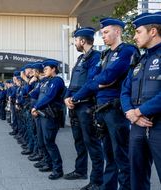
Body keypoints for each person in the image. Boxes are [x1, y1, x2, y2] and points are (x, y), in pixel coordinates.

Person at [72, 18, 139, 190]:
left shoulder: (127, 51)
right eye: (102, 33)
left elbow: (109, 75)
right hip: (102, 109)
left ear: (117, 32)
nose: (103, 36)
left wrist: (101, 81)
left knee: (121, 156)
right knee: (109, 155)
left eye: (106, 32)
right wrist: (100, 83)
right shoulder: (105, 55)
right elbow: (93, 79)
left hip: (115, 110)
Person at [121, 12, 161, 190]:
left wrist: (139, 111)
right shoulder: (140, 60)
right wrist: (132, 114)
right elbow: (125, 90)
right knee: (136, 177)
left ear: (153, 31)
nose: (135, 36)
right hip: (137, 125)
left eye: (138, 32)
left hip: (159, 126)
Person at [64, 27, 104, 190]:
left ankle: (97, 181)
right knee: (79, 141)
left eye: (75, 40)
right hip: (75, 105)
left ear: (82, 41)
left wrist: (74, 98)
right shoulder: (81, 58)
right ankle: (80, 171)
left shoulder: (96, 57)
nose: (74, 43)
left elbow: (90, 83)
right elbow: (73, 81)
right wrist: (67, 97)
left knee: (92, 143)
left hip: (86, 105)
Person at [31, 59, 66, 180]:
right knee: (41, 141)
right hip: (41, 115)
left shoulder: (57, 81)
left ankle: (58, 169)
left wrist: (35, 107)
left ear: (53, 69)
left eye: (46, 69)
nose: (44, 71)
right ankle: (48, 163)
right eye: (44, 69)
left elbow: (49, 96)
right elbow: (35, 94)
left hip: (50, 116)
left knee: (49, 142)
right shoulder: (46, 81)